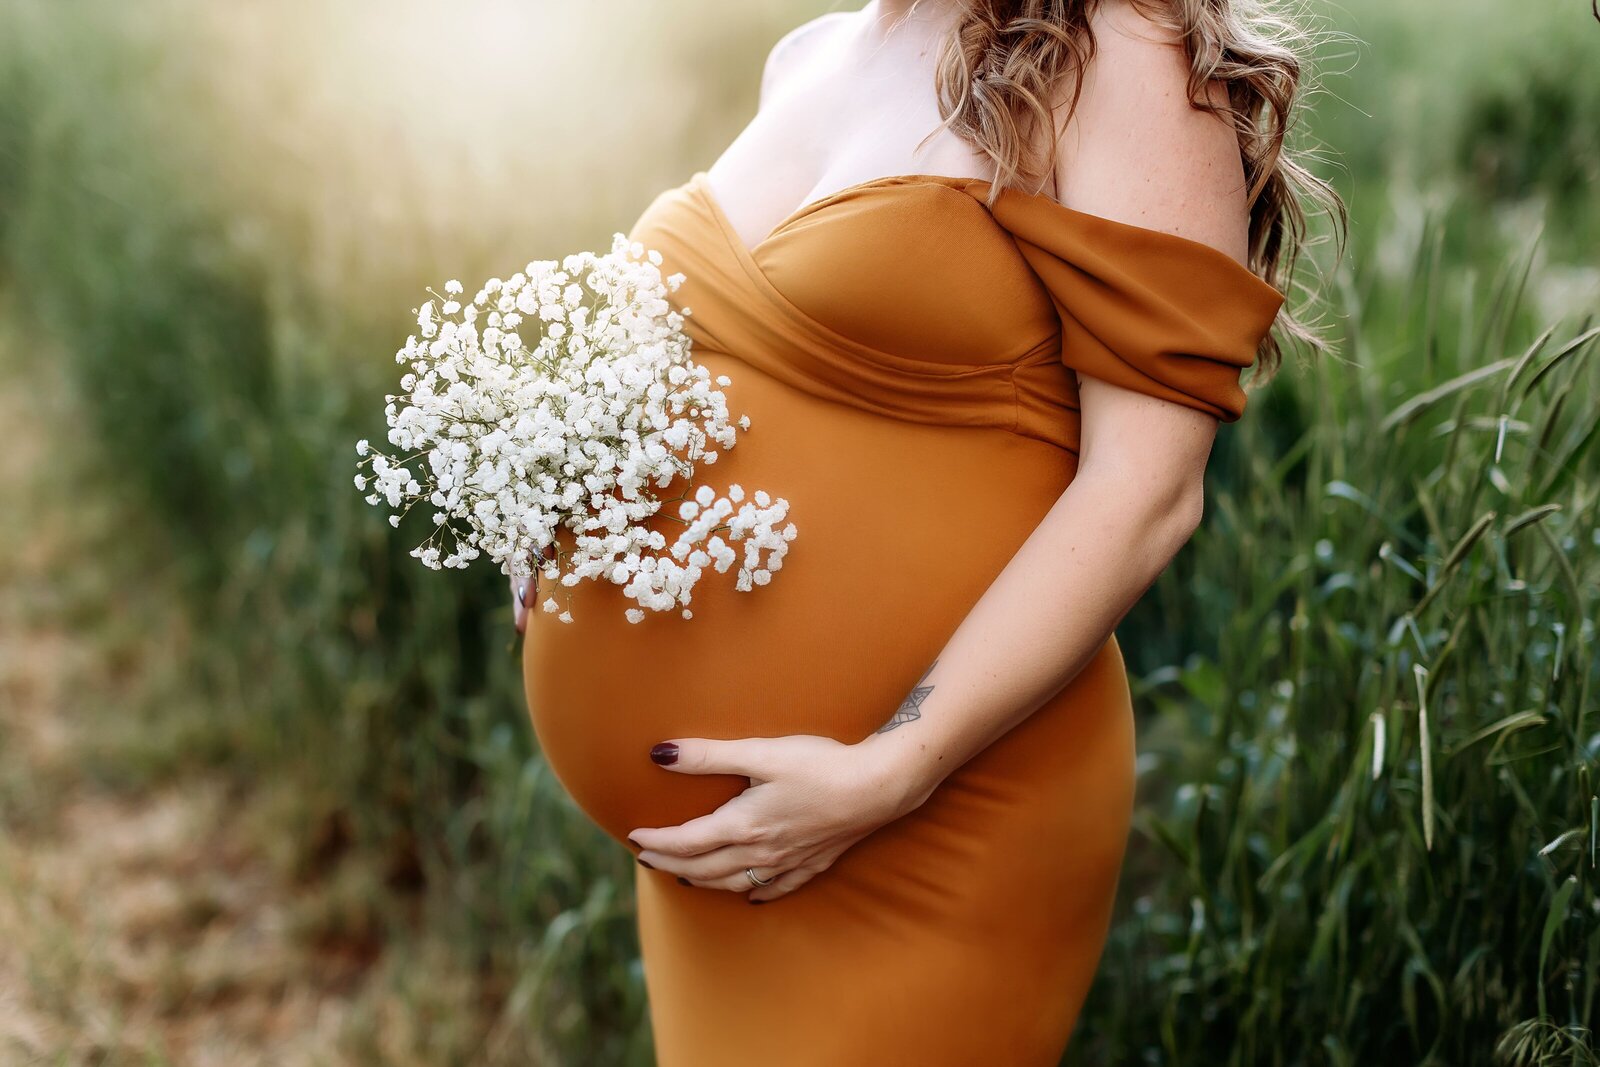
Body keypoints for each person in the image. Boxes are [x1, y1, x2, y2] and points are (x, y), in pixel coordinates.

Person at [513, 0, 1341, 1062]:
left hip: (934, 813)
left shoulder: (1121, 49)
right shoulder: (811, 53)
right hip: (723, 843)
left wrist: (897, 763)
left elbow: (1147, 489)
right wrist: (566, 503)